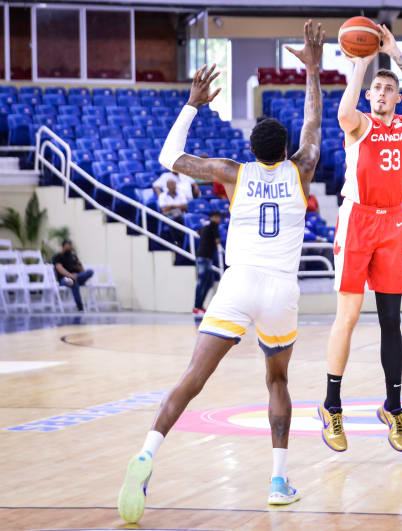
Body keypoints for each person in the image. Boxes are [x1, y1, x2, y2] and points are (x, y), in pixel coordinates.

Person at [117, 20, 324, 524]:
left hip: (238, 282)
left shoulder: (232, 173)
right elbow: (312, 124)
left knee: (193, 377)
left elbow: (168, 156)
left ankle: (147, 451)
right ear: (285, 152)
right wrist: (313, 71)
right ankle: (278, 481)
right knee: (277, 379)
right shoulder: (302, 169)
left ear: (251, 151)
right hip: (280, 289)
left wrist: (192, 103)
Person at [319, 24, 402, 454]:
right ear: (369, 96)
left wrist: (396, 54)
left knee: (391, 321)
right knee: (347, 317)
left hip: (392, 225)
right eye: (377, 89)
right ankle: (332, 405)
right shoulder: (359, 125)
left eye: (389, 89)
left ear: (396, 97)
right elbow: (342, 114)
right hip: (358, 220)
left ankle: (394, 407)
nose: (383, 93)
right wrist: (362, 64)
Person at [52, 240, 93, 312]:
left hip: (76, 277)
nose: (69, 248)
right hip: (64, 279)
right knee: (73, 282)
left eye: (70, 247)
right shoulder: (57, 257)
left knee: (90, 271)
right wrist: (70, 275)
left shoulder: (73, 256)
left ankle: (76, 278)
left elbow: (82, 271)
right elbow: (60, 269)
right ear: (63, 247)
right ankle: (80, 307)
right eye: (67, 247)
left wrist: (78, 266)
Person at [193, 211, 221, 316]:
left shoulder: (205, 226)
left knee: (207, 283)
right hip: (205, 257)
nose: (219, 220)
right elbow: (217, 240)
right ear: (212, 218)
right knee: (202, 283)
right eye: (217, 217)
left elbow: (198, 232)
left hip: (203, 256)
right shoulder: (213, 226)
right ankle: (196, 307)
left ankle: (199, 306)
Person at [157, 176, 188, 246]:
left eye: (173, 184)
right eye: (170, 184)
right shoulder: (162, 195)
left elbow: (185, 207)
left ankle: (180, 241)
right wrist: (177, 207)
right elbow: (163, 209)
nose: (172, 186)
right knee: (172, 219)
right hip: (168, 214)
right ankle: (177, 241)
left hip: (180, 214)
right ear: (167, 186)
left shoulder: (181, 194)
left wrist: (171, 206)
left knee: (180, 218)